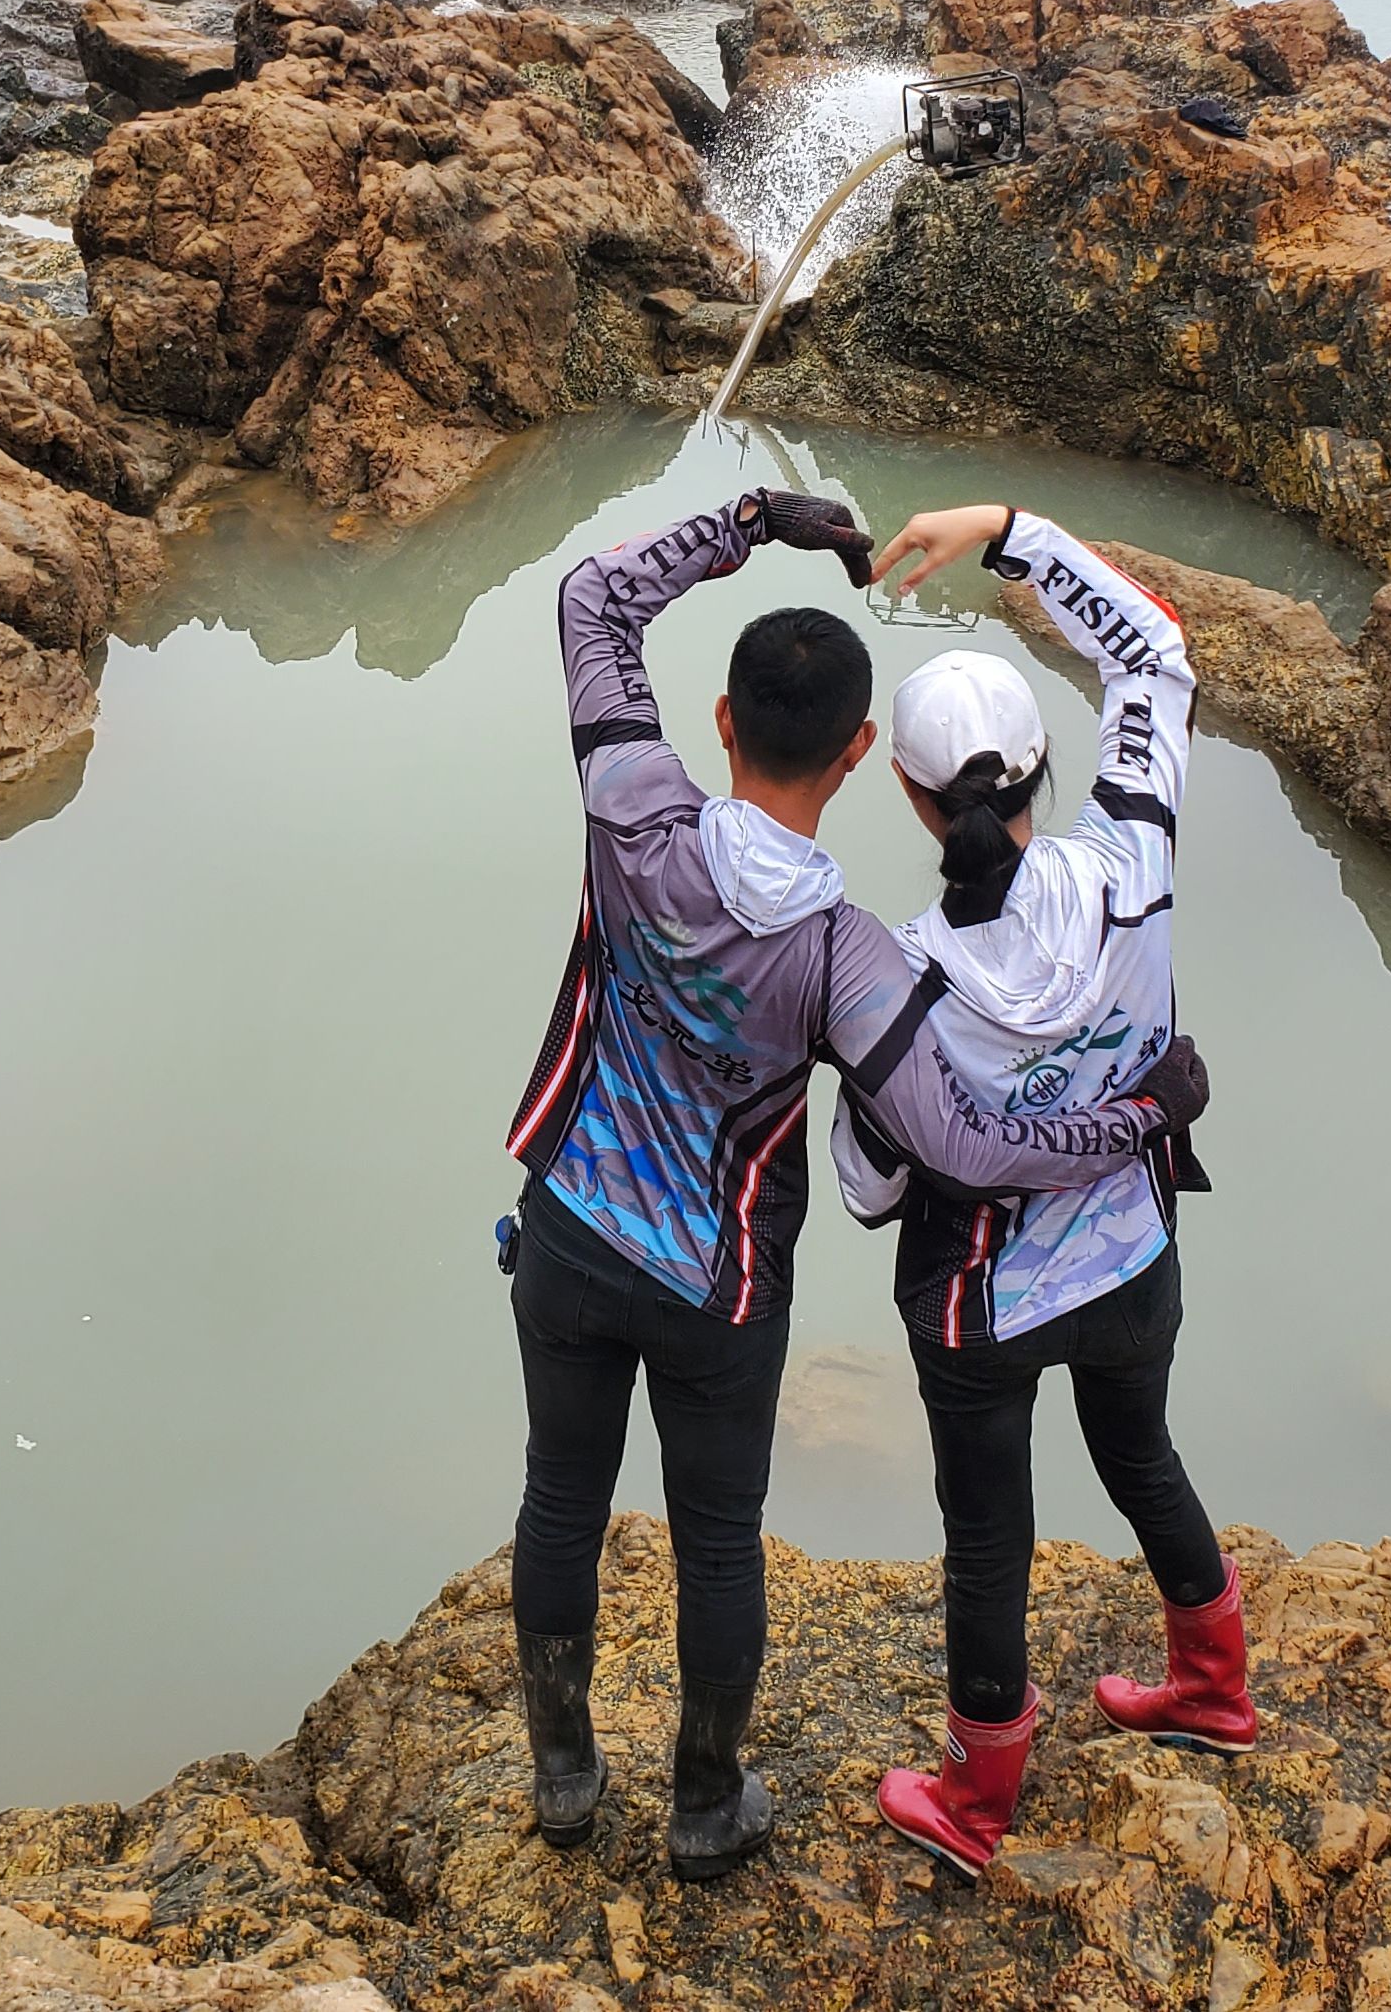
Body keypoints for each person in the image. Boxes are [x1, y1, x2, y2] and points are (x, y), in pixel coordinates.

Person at [503, 489, 1211, 1884]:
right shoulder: (847, 957)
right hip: (721, 1287)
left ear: (720, 723)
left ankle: (566, 1775)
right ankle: (705, 1806)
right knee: (716, 1544)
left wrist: (755, 519)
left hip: (574, 1233)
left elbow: (591, 601)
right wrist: (1134, 1119)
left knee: (558, 1504)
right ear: (852, 758)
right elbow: (963, 1147)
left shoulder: (631, 808)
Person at [841, 502, 1247, 1882]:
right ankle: (1213, 1689)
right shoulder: (1135, 858)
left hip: (985, 1305)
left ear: (905, 796)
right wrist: (1010, 533)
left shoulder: (898, 979)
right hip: (1132, 1254)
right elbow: (1157, 653)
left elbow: (868, 1183)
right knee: (1144, 1459)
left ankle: (977, 1802)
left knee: (987, 1542)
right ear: (1047, 772)